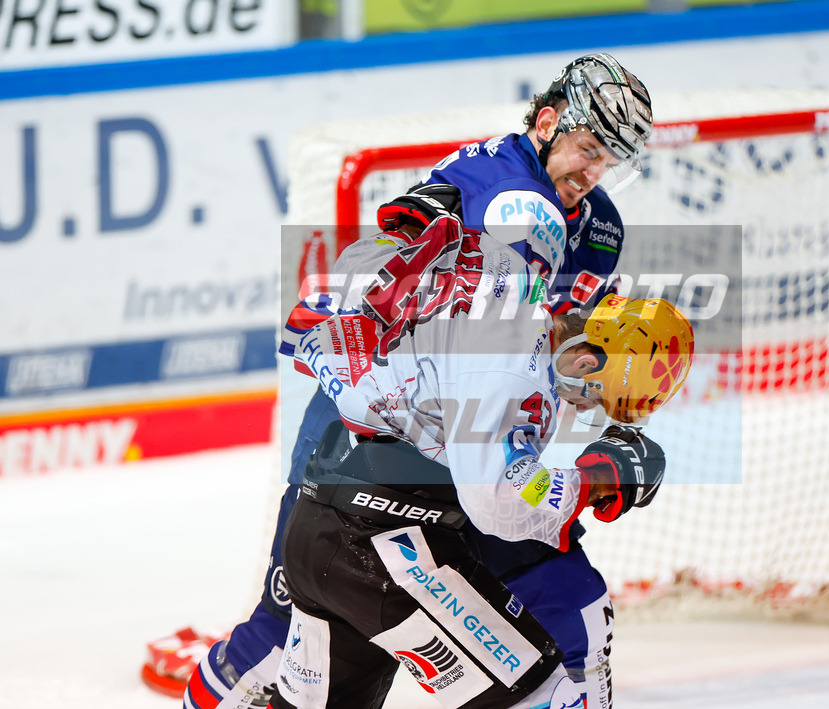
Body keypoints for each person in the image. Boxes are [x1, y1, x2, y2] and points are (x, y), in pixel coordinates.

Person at [162, 52, 654, 709]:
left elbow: (554, 351)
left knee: (573, 601)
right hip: (381, 445)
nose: (592, 173)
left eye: (608, 160)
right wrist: (596, 473)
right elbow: (389, 297)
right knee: (280, 633)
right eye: (587, 148)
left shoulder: (591, 228)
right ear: (546, 121)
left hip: (459, 454)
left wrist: (602, 364)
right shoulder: (495, 190)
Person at [267, 212, 692, 708]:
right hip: (389, 552)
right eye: (599, 396)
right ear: (586, 358)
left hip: (318, 525)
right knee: (551, 699)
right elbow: (498, 502)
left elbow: (355, 278)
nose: (587, 409)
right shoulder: (520, 372)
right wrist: (595, 477)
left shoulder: (505, 291)